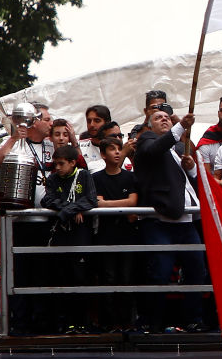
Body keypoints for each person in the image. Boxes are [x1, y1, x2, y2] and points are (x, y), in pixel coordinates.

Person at [0, 102, 54, 335]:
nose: (51, 123)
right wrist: (13, 137)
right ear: (33, 121)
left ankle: (44, 323)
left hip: (49, 223)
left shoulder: (53, 145)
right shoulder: (13, 144)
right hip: (20, 223)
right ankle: (20, 324)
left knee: (45, 275)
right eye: (47, 119)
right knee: (20, 274)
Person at [134, 108, 207, 333]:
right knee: (160, 273)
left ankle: (193, 319)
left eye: (167, 117)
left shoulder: (175, 150)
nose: (164, 119)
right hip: (160, 222)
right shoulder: (147, 141)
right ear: (149, 126)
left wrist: (191, 168)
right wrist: (180, 127)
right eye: (158, 118)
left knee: (197, 271)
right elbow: (156, 148)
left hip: (186, 222)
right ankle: (153, 322)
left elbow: (190, 183)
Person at [41, 145, 97, 332]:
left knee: (80, 278)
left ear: (73, 163)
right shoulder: (53, 178)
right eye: (55, 164)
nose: (57, 168)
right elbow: (47, 200)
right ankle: (65, 323)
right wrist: (71, 209)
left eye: (61, 164)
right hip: (61, 237)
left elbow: (90, 199)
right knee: (62, 278)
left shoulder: (84, 175)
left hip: (80, 237)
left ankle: (83, 323)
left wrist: (69, 210)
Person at [92, 136, 139, 331]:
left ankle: (127, 322)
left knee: (127, 277)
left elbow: (133, 202)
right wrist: (122, 204)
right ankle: (109, 323)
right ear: (103, 155)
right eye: (112, 149)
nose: (117, 152)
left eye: (119, 148)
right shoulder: (96, 178)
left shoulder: (130, 177)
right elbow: (98, 203)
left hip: (127, 233)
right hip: (106, 234)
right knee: (108, 277)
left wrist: (109, 204)